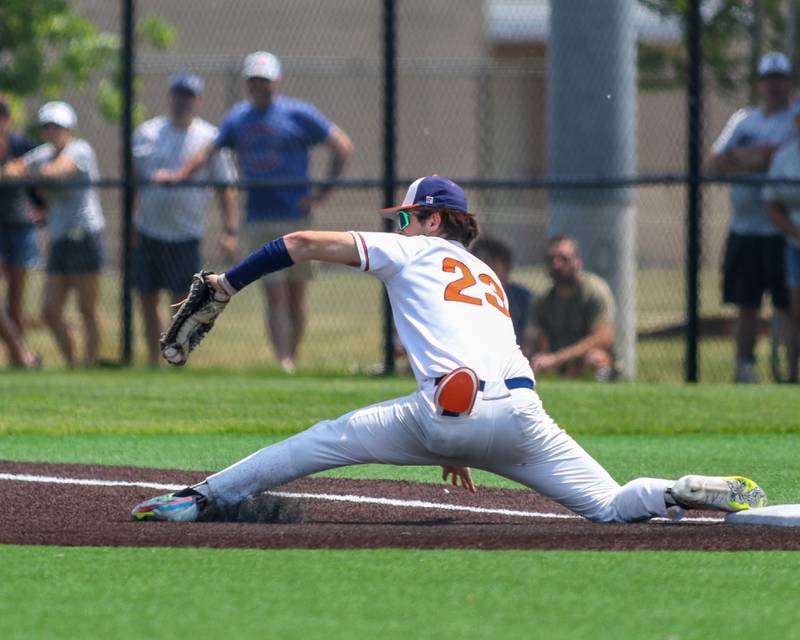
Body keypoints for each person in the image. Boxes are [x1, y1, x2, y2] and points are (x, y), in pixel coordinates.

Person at [132, 175, 767, 524]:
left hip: (446, 413)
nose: (398, 225)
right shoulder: (488, 275)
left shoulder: (411, 248)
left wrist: (228, 283)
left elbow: (297, 241)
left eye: (408, 215)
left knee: (321, 441)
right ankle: (675, 489)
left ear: (434, 220)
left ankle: (201, 498)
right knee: (608, 506)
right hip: (521, 417)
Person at [155, 51, 354, 373]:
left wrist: (323, 193)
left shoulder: (299, 113)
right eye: (254, 81)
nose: (260, 86)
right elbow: (210, 150)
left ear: (277, 81)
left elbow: (342, 146)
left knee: (295, 294)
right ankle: (284, 361)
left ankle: (293, 353)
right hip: (259, 218)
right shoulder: (239, 117)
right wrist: (180, 175)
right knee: (274, 294)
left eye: (264, 80)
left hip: (296, 218)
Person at [133, 73, 238, 367]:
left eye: (189, 96)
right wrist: (132, 225)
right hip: (149, 230)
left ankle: (174, 356)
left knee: (181, 302)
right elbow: (135, 183)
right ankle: (153, 360)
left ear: (198, 101)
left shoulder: (210, 138)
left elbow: (225, 187)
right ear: (171, 97)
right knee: (147, 296)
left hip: (185, 233)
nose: (183, 101)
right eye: (179, 95)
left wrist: (230, 229)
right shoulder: (148, 132)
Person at [707, 51, 795, 383]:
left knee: (786, 307)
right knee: (746, 304)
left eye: (780, 78)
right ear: (760, 83)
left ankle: (788, 373)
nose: (774, 85)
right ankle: (744, 368)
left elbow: (775, 160)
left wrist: (740, 159)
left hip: (780, 231)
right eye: (768, 79)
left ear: (788, 82)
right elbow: (715, 161)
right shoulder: (744, 120)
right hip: (743, 229)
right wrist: (756, 158)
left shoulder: (792, 121)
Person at [4, 101, 105, 368]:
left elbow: (57, 171)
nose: (52, 132)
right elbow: (13, 170)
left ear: (68, 128)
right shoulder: (41, 154)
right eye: (47, 127)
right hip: (59, 238)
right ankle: (74, 364)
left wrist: (27, 172)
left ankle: (90, 364)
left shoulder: (80, 150)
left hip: (85, 236)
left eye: (57, 126)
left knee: (87, 308)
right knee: (50, 311)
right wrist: (18, 170)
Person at [523, 235, 615, 381]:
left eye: (563, 259)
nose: (556, 264)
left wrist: (557, 358)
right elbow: (533, 338)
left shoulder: (594, 291)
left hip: (583, 358)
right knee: (535, 362)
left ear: (577, 261)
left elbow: (602, 338)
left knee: (596, 359)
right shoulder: (543, 299)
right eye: (551, 259)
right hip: (554, 361)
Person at [0, 97, 41, 369]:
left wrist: (42, 211)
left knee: (16, 301)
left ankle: (17, 362)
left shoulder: (22, 146)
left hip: (21, 230)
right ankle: (23, 354)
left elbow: (40, 184)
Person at [763, 96, 800, 383]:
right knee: (795, 311)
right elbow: (773, 204)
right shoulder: (785, 158)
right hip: (794, 245)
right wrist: (794, 231)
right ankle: (791, 374)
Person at [471, 235, 532, 346]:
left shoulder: (522, 297)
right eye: (480, 262)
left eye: (490, 262)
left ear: (506, 265)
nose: (485, 269)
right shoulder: (469, 297)